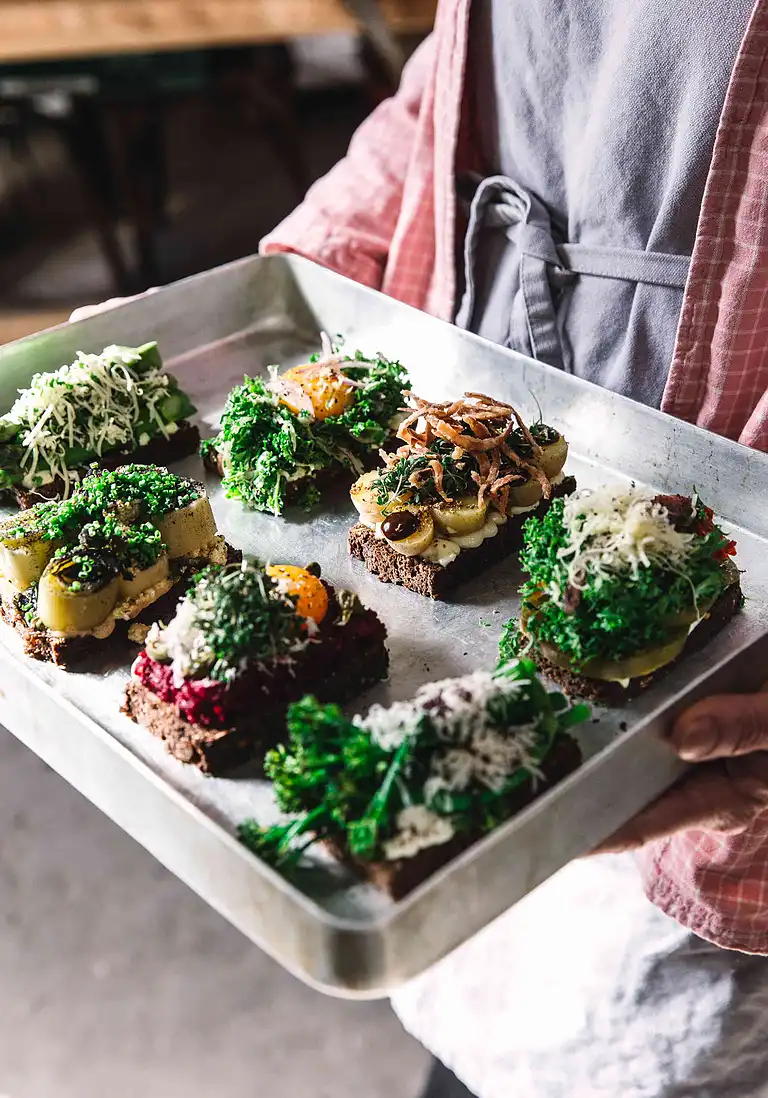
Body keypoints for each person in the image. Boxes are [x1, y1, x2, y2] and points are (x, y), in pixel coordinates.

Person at [74, 3, 768, 1093]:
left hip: (719, 613)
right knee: (463, 1009)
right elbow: (448, 87)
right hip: (470, 390)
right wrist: (286, 287)